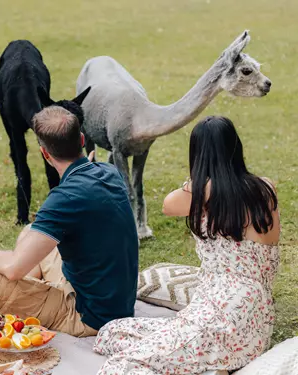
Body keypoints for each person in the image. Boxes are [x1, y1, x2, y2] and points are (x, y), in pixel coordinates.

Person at [93, 115, 280, 374]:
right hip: (254, 316)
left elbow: (168, 204)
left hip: (224, 313)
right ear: (235, 148)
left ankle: (203, 365)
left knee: (123, 367)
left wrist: (198, 181)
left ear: (198, 155)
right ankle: (205, 365)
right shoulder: (265, 188)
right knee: (112, 333)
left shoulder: (201, 193)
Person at [0, 105, 139, 337]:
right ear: (82, 139)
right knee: (31, 231)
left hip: (88, 317)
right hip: (113, 302)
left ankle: (4, 306)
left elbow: (13, 269)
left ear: (45, 154)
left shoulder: (64, 199)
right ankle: (25, 297)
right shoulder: (108, 172)